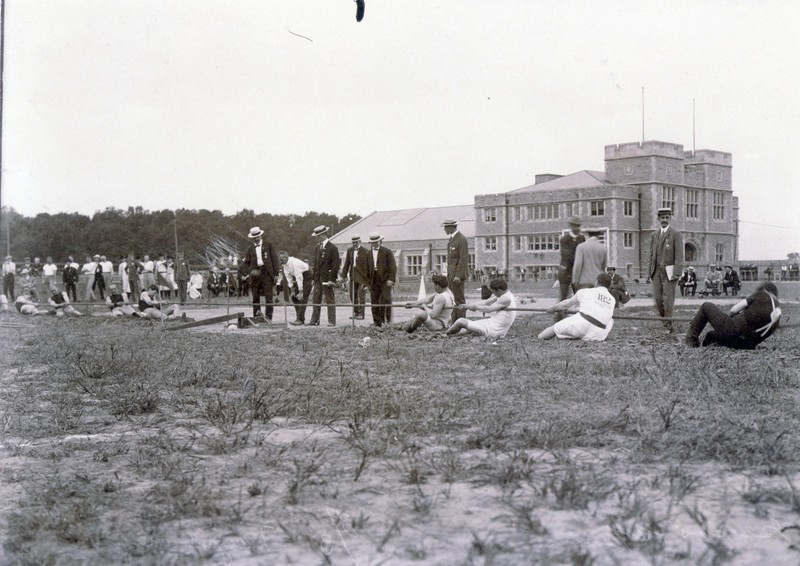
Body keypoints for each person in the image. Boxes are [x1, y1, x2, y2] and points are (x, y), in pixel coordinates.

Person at [685, 282, 781, 349]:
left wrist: (728, 319)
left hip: (733, 331)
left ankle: (691, 341)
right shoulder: (778, 312)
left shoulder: (762, 294)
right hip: (747, 344)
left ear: (764, 289)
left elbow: (734, 309)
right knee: (710, 335)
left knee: (706, 306)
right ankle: (708, 344)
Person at [539, 273, 616, 341]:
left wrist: (552, 309)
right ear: (609, 285)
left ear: (596, 282)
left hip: (581, 325)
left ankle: (539, 338)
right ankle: (576, 335)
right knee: (610, 320)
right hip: (599, 334)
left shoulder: (585, 291)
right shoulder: (612, 300)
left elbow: (565, 304)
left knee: (554, 328)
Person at [647, 208, 683, 333]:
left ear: (670, 219)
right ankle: (666, 321)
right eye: (662, 218)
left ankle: (668, 325)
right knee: (657, 299)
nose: (664, 220)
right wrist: (649, 272)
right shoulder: (654, 235)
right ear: (658, 219)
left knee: (668, 299)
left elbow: (679, 255)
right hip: (656, 272)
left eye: (667, 218)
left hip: (669, 272)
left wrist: (677, 273)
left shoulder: (675, 234)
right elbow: (651, 255)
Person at [446, 278, 516, 339]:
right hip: (491, 323)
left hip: (494, 330)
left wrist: (476, 307)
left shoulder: (506, 299)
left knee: (461, 321)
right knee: (466, 328)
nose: (493, 294)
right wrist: (468, 305)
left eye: (493, 291)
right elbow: (486, 302)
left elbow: (489, 309)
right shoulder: (503, 295)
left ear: (499, 290)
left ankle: (445, 334)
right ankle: (452, 334)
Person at [242, 226, 281, 321]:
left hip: (267, 273)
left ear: (260, 235)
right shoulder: (250, 248)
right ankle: (256, 316)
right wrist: (249, 272)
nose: (256, 239)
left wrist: (276, 274)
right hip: (255, 274)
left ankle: (268, 317)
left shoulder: (268, 245)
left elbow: (275, 260)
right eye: (254, 237)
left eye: (257, 237)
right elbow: (246, 263)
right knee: (255, 297)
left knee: (269, 297)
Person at [309, 225, 340, 327]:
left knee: (329, 299)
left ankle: (331, 321)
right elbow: (316, 264)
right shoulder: (317, 248)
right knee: (316, 299)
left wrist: (332, 279)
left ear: (323, 235)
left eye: (318, 236)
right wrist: (314, 278)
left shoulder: (333, 248)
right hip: (318, 278)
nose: (317, 238)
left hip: (327, 279)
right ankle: (314, 320)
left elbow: (335, 266)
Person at [556, 217, 586, 320]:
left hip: (577, 272)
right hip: (566, 272)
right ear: (571, 226)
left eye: (578, 226)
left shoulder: (581, 238)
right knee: (564, 296)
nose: (577, 228)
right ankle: (559, 316)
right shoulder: (564, 239)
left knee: (579, 295)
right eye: (575, 226)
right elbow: (566, 255)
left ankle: (581, 317)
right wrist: (579, 262)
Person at [365, 233, 396, 328]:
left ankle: (387, 321)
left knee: (385, 299)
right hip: (373, 279)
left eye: (376, 242)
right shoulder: (368, 253)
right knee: (374, 301)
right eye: (372, 243)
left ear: (380, 241)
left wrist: (391, 279)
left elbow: (392, 267)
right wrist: (367, 283)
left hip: (385, 279)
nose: (374, 244)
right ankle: (377, 322)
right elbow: (366, 268)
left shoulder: (387, 252)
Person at [442, 218, 470, 324]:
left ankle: (461, 322)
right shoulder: (452, 239)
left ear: (451, 227)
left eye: (446, 227)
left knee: (459, 299)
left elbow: (463, 259)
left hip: (457, 276)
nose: (444, 229)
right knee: (452, 299)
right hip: (451, 275)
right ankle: (455, 322)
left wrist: (458, 275)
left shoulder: (461, 239)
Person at [339, 234, 369, 320]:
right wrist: (342, 276)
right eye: (353, 242)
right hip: (353, 275)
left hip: (362, 276)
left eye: (356, 242)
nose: (354, 244)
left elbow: (368, 266)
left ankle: (361, 314)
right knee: (352, 294)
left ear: (360, 241)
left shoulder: (366, 251)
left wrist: (367, 279)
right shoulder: (349, 251)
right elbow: (346, 264)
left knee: (361, 294)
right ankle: (356, 312)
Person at [277, 251, 312, 326]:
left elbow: (299, 277)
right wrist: (292, 290)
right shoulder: (284, 264)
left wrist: (301, 292)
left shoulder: (295, 263)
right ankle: (300, 318)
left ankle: (299, 319)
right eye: (279, 259)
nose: (280, 261)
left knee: (302, 298)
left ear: (286, 257)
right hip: (297, 277)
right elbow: (288, 277)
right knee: (294, 298)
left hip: (306, 277)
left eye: (281, 259)